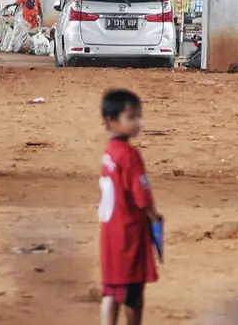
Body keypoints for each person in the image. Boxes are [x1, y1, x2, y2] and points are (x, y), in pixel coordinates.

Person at [99, 89, 161, 325]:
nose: (138, 122)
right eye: (131, 117)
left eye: (139, 116)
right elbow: (142, 196)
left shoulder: (110, 153)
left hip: (110, 230)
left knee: (112, 289)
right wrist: (154, 218)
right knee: (134, 293)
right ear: (111, 121)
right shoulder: (129, 155)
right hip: (129, 231)